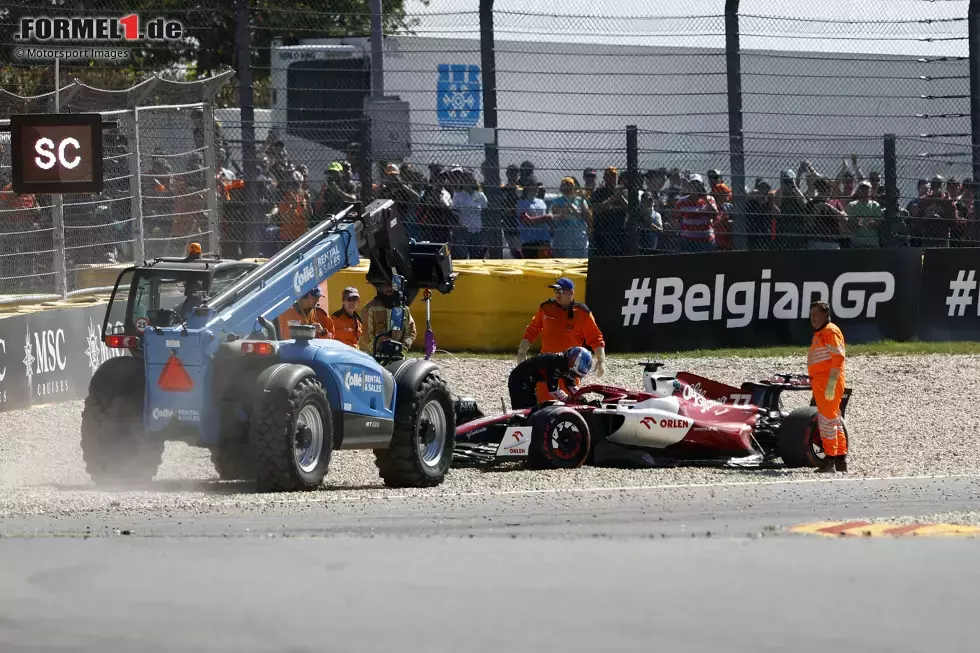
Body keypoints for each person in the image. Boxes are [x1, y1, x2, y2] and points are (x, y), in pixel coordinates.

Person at [807, 301, 848, 473]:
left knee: (826, 422)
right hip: (822, 383)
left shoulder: (830, 331)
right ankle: (840, 459)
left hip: (828, 383)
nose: (813, 318)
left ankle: (829, 459)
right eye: (811, 315)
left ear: (826, 314)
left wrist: (831, 384)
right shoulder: (820, 333)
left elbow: (838, 358)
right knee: (834, 420)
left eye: (816, 315)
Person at [508, 347, 594, 410]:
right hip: (519, 380)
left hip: (529, 382)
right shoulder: (555, 364)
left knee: (532, 410)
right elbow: (553, 390)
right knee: (524, 412)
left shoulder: (565, 363)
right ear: (572, 364)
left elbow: (571, 385)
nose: (573, 376)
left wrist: (584, 401)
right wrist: (568, 401)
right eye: (574, 373)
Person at [359, 282, 417, 354]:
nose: (388, 288)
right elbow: (366, 334)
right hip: (375, 357)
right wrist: (377, 351)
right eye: (384, 285)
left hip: (397, 356)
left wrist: (402, 349)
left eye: (391, 285)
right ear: (379, 287)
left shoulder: (403, 309)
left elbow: (410, 332)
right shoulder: (370, 308)